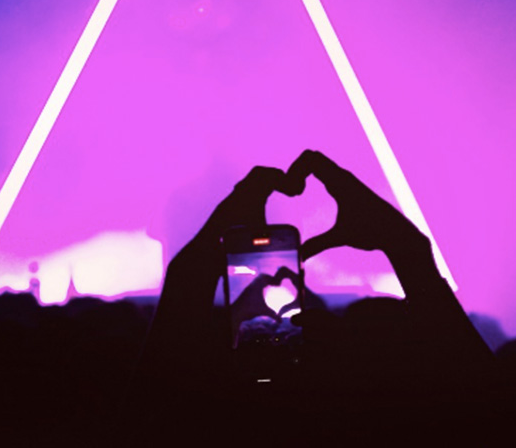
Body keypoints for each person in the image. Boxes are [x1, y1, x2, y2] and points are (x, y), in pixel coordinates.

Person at [131, 150, 495, 444]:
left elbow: (151, 413)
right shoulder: (400, 417)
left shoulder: (198, 419)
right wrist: (409, 253)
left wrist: (188, 275)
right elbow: (491, 410)